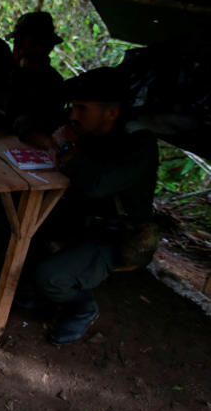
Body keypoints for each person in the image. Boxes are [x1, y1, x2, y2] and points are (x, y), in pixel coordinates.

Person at [30, 67, 159, 344]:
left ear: (111, 112)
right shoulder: (87, 126)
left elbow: (97, 184)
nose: (73, 115)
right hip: (81, 216)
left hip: (117, 234)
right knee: (14, 227)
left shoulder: (139, 144)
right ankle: (45, 291)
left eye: (82, 108)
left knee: (50, 276)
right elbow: (31, 120)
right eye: (73, 106)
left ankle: (82, 307)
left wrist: (67, 150)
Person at [5, 12, 67, 147]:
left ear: (48, 48)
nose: (23, 51)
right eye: (18, 45)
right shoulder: (6, 69)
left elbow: (31, 120)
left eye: (32, 45)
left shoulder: (54, 84)